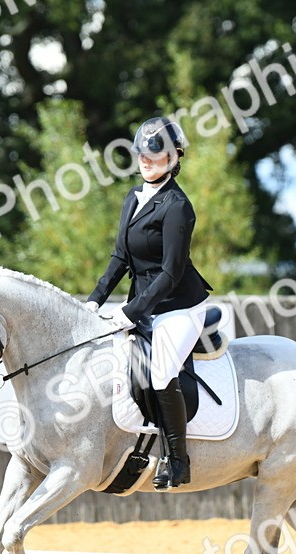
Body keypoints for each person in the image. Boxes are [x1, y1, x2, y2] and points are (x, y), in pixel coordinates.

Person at [86, 116, 213, 490]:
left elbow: (171, 273)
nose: (147, 161)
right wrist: (93, 301)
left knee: (159, 373)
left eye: (156, 157)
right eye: (143, 154)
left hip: (178, 307)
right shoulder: (133, 197)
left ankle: (177, 460)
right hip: (143, 305)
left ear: (174, 160)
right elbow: (120, 257)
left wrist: (129, 312)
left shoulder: (178, 206)